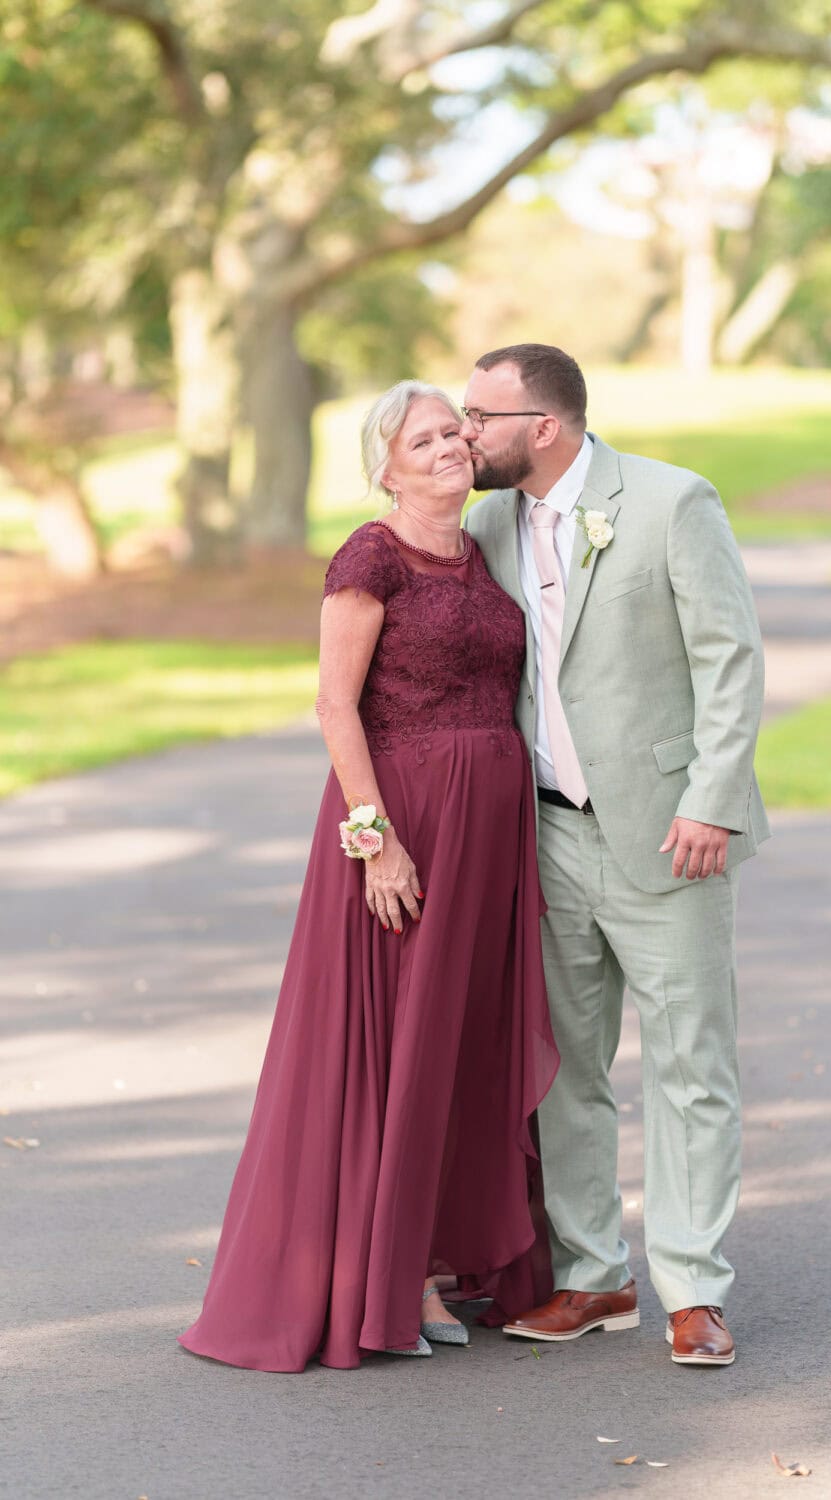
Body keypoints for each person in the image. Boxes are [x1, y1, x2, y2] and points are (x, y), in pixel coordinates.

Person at [178, 381, 558, 1371]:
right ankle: (394, 1275)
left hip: (491, 836)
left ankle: (446, 1252)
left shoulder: (479, 550)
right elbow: (334, 707)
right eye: (422, 439)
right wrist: (374, 837)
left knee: (461, 1042)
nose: (446, 447)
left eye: (453, 433)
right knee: (401, 1043)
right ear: (383, 467)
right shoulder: (369, 556)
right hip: (404, 828)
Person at [462, 345, 769, 1367]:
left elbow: (729, 656)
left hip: (670, 832)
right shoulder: (487, 523)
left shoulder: (673, 501)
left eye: (481, 415)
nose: (467, 432)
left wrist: (712, 802)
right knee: (564, 1071)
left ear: (542, 427)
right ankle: (593, 1277)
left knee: (690, 1064)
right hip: (542, 835)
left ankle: (693, 1286)